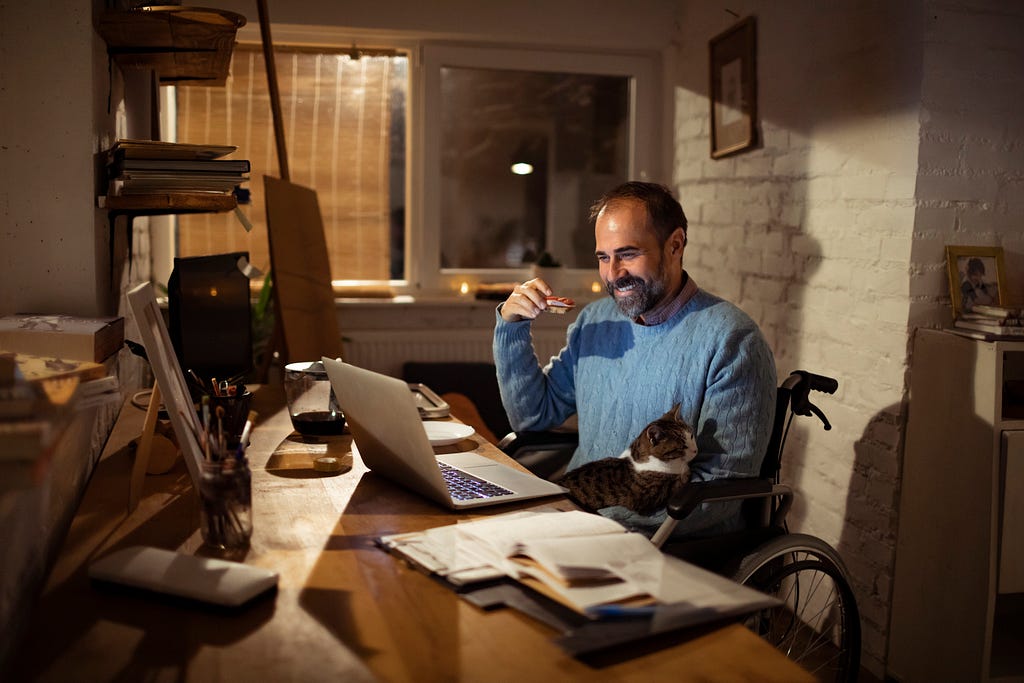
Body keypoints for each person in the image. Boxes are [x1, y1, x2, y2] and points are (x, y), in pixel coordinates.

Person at [492, 181, 777, 538]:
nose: (612, 274)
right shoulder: (596, 320)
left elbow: (715, 498)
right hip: (575, 518)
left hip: (656, 543)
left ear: (675, 245)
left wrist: (598, 525)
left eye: (627, 254)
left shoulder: (733, 340)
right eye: (602, 257)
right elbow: (531, 416)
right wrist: (512, 327)